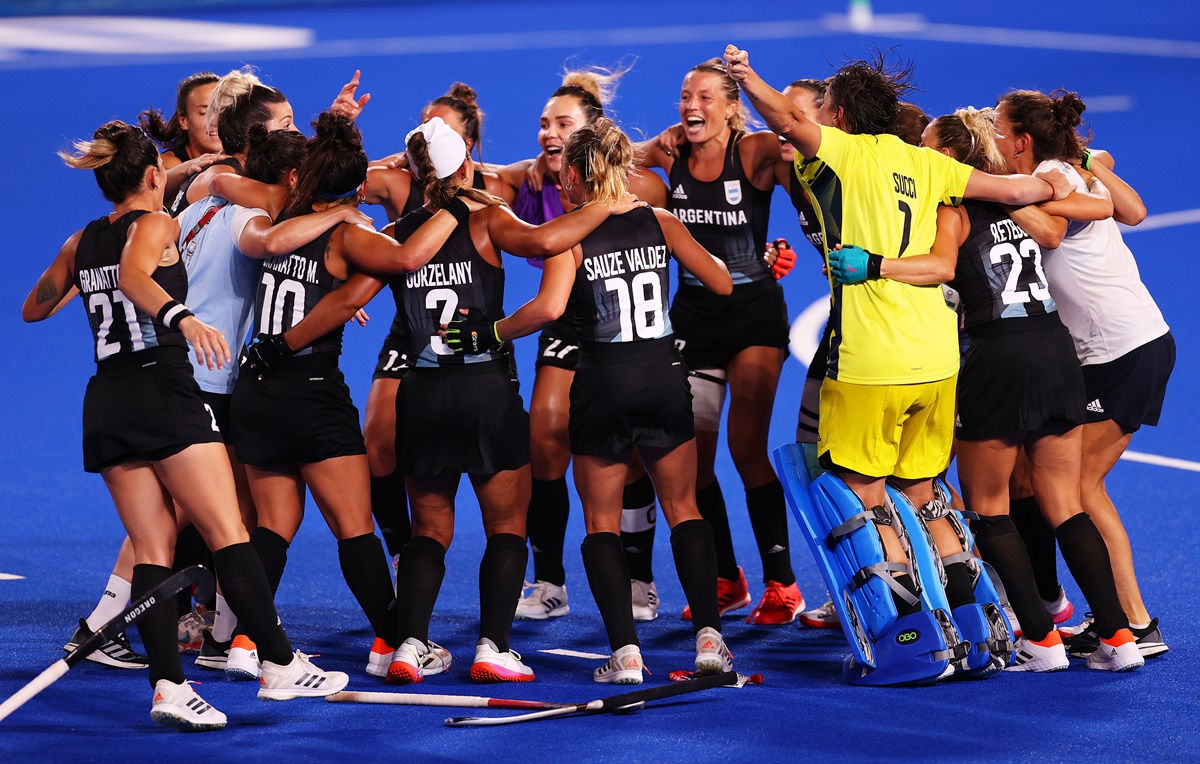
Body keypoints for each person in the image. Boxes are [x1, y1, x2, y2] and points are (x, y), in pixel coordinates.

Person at [721, 43, 1076, 644]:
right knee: (925, 495)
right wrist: (1078, 176)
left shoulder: (847, 152)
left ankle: (910, 632)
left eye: (826, 106)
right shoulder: (929, 164)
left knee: (866, 498)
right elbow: (1019, 194)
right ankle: (976, 621)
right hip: (938, 362)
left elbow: (786, 119)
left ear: (840, 115)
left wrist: (745, 74)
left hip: (872, 361)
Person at [23, 121, 348, 731]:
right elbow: (132, 277)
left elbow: (34, 306)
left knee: (153, 548)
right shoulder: (158, 225)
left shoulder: (79, 242)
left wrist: (83, 280)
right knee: (228, 531)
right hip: (164, 390)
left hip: (107, 400)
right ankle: (278, 663)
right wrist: (185, 320)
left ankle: (169, 686)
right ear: (152, 176)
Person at [463, 117, 735, 682]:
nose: (560, 187)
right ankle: (710, 641)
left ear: (585, 175)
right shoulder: (659, 219)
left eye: (566, 178)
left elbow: (547, 311)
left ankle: (626, 655)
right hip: (663, 376)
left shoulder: (571, 232)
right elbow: (722, 282)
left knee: (601, 523)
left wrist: (490, 333)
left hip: (602, 383)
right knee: (684, 507)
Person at [897, 106, 1141, 671]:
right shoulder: (1020, 200)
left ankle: (1042, 639)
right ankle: (1119, 639)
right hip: (1055, 351)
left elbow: (937, 267)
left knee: (986, 505)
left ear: (951, 158)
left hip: (997, 354)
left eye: (929, 147)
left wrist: (877, 266)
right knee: (1064, 503)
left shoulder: (952, 207)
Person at [993, 89, 1174, 660]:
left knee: (1078, 487)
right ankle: (1107, 615)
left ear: (1022, 139)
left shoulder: (1049, 175)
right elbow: (1129, 203)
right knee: (1064, 482)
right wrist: (1089, 165)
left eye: (998, 127)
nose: (993, 136)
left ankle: (1134, 623)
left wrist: (992, 191)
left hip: (1120, 350)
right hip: (1116, 347)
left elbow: (1057, 224)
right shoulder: (1066, 166)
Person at [490, 67, 669, 623]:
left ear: (591, 133)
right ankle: (549, 582)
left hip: (627, 327)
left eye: (562, 124)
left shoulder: (638, 188)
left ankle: (640, 580)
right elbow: (465, 175)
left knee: (632, 452)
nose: (547, 133)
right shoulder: (528, 180)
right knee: (544, 435)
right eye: (543, 124)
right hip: (567, 322)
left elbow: (681, 244)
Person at [636, 58, 802, 625]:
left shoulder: (754, 150)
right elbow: (612, 165)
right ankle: (727, 578)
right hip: (692, 322)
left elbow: (803, 166)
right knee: (693, 464)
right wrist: (647, 146)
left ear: (733, 106)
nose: (691, 107)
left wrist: (793, 240)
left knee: (746, 446)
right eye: (686, 97)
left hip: (753, 317)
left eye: (706, 98)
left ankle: (783, 582)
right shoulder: (669, 152)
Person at [361, 83, 511, 568]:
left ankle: (543, 575)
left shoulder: (497, 191)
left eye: (440, 128)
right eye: (423, 124)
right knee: (379, 445)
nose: (429, 132)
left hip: (476, 345)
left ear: (469, 145)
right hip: (414, 334)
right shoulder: (398, 182)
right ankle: (403, 554)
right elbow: (333, 186)